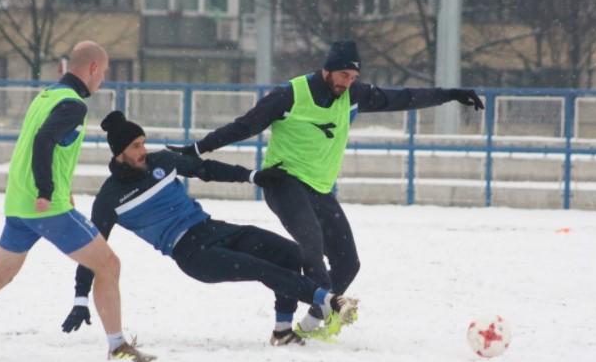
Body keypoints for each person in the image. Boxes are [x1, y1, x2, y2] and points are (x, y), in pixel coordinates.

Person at [167, 40, 485, 339]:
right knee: (311, 244)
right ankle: (326, 304)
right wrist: (197, 148)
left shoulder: (355, 95)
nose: (347, 82)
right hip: (284, 182)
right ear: (327, 69)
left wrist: (452, 93)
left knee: (349, 263)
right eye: (343, 74)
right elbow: (245, 126)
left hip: (319, 190)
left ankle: (312, 323)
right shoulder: (291, 94)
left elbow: (403, 97)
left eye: (354, 76)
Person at [60, 110, 359, 346]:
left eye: (143, 143)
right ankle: (330, 301)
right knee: (259, 267)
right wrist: (80, 298)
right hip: (191, 254)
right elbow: (92, 251)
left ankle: (282, 332)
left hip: (212, 229)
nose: (143, 150)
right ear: (118, 153)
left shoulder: (160, 162)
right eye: (136, 146)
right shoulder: (109, 200)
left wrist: (252, 176)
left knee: (289, 254)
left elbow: (206, 169)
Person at [0, 41, 154, 362]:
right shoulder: (73, 105)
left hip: (18, 204)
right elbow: (43, 141)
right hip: (45, 207)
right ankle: (117, 346)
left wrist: (58, 185)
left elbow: (47, 146)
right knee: (109, 265)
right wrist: (46, 190)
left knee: (0, 274)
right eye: (105, 71)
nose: (104, 79)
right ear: (94, 68)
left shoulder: (47, 95)